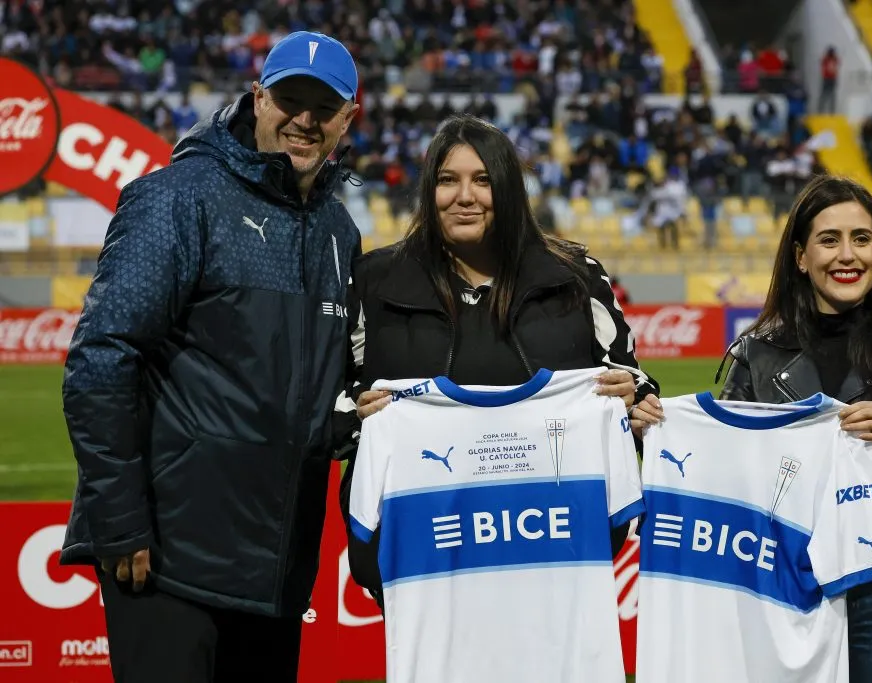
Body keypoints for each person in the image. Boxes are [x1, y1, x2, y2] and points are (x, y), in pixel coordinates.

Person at [60, 31, 362, 683]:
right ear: (257, 98)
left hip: (274, 568)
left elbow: (317, 382)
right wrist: (119, 518)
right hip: (170, 560)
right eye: (289, 99)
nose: (304, 119)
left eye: (323, 105)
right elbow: (100, 357)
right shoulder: (178, 197)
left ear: (349, 118)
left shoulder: (340, 231)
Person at [334, 113, 664, 603]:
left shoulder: (575, 276)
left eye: (482, 180)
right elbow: (329, 405)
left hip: (554, 558)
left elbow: (630, 378)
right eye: (448, 180)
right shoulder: (374, 282)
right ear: (429, 190)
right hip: (424, 564)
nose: (464, 196)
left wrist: (635, 400)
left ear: (508, 189)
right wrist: (357, 418)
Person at [716, 175, 872, 683]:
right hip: (783, 592)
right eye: (829, 239)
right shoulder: (754, 357)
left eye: (861, 239)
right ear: (801, 257)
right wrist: (656, 436)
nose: (848, 255)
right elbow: (723, 477)